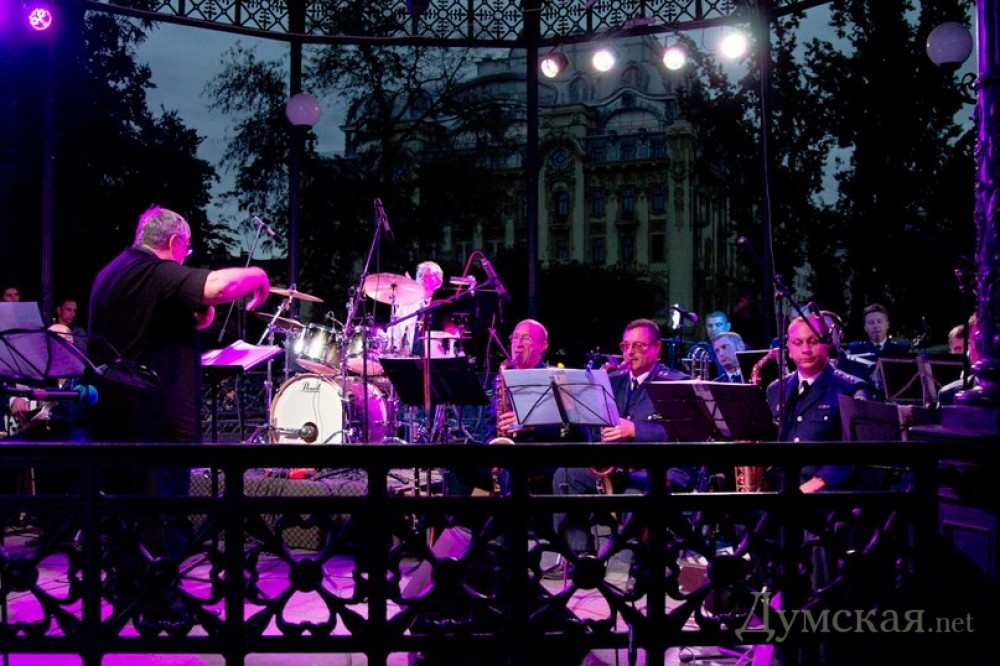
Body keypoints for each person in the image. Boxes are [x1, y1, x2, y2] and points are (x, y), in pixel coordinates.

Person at [87, 205, 269, 625]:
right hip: (152, 420)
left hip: (115, 417)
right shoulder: (154, 269)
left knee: (126, 513)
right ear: (173, 242)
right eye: (185, 251)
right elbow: (220, 285)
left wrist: (191, 322)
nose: (185, 259)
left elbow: (140, 330)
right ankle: (160, 607)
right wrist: (259, 276)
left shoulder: (111, 273)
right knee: (160, 510)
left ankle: (128, 592)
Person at [553, 318, 693, 559]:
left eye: (638, 345)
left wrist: (634, 430)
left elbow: (684, 431)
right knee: (565, 476)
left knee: (634, 492)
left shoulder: (676, 382)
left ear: (657, 348)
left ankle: (630, 564)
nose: (630, 352)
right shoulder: (612, 381)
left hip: (661, 469)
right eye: (626, 345)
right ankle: (581, 556)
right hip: (619, 467)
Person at [766, 314, 870, 493]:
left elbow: (856, 449)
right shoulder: (775, 389)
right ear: (789, 349)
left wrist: (817, 483)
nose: (805, 349)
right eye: (797, 343)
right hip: (780, 492)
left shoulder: (851, 388)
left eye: (813, 341)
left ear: (826, 345)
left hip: (828, 497)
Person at [385, 260, 445, 356]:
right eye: (420, 275)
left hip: (436, 357)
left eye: (428, 276)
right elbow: (395, 331)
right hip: (409, 358)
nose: (423, 278)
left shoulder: (442, 306)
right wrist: (393, 347)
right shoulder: (406, 304)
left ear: (438, 282)